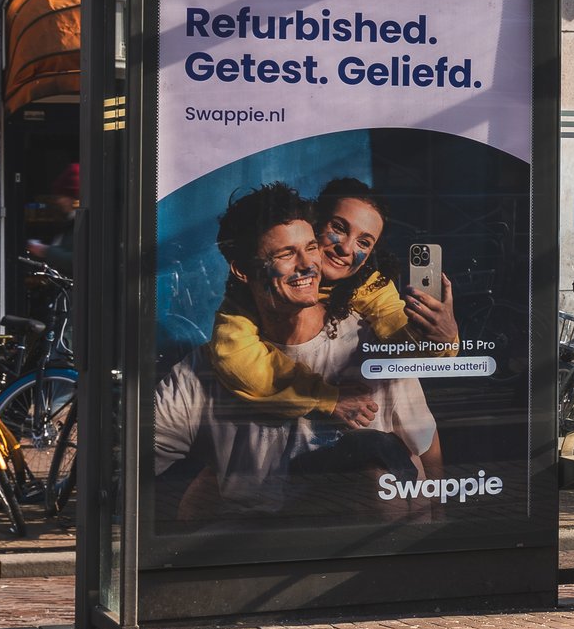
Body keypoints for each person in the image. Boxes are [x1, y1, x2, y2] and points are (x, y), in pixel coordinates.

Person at [153, 183, 440, 520]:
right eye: (286, 254)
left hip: (363, 545)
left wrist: (438, 339)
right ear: (243, 271)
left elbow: (424, 442)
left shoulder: (368, 345)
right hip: (268, 550)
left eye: (310, 247)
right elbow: (136, 463)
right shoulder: (212, 363)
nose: (309, 264)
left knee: (375, 462)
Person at [206, 177, 457, 424]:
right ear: (313, 223)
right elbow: (239, 360)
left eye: (364, 242)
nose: (346, 249)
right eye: (338, 228)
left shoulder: (371, 285)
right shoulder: (251, 292)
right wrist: (326, 397)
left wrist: (439, 338)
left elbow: (398, 332)